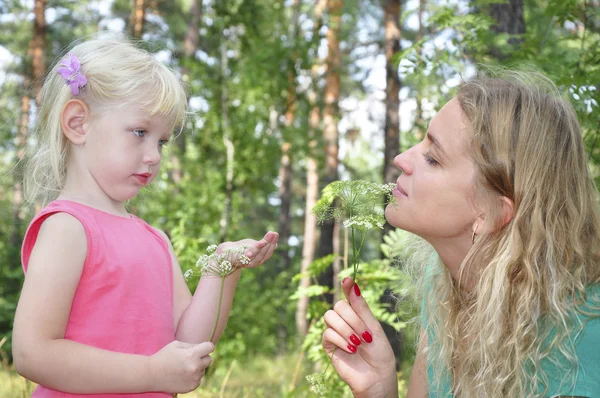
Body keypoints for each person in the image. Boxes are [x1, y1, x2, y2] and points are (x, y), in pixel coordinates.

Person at [11, 37, 279, 397]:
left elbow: (187, 343)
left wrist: (220, 269)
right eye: (140, 133)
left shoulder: (155, 239)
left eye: (162, 141)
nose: (154, 155)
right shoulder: (67, 228)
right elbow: (33, 353)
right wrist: (152, 373)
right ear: (78, 124)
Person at [321, 70, 600, 397]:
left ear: (492, 211)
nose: (401, 159)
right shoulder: (444, 289)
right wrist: (379, 387)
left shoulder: (582, 347)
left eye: (432, 158)